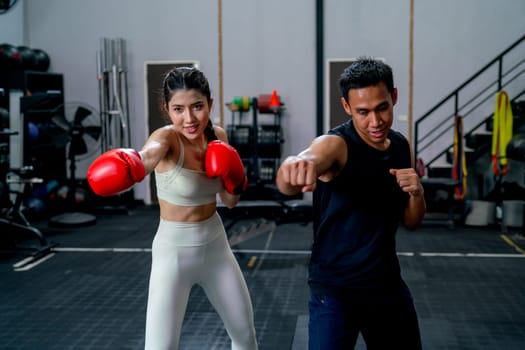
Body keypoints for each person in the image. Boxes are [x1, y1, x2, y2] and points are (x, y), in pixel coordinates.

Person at [87, 66, 258, 350]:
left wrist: (236, 178)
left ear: (210, 104)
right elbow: (148, 155)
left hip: (216, 247)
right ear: (167, 109)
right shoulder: (166, 139)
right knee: (160, 347)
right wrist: (134, 164)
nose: (189, 118)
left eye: (197, 107)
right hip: (173, 253)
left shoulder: (219, 137)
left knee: (245, 336)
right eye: (178, 109)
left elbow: (229, 202)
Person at [276, 57, 426, 349]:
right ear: (346, 107)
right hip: (335, 290)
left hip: (386, 285)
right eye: (363, 112)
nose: (375, 121)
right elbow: (304, 163)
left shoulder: (400, 146)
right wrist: (292, 167)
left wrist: (417, 192)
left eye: (382, 107)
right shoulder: (336, 145)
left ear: (393, 97)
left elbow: (412, 221)